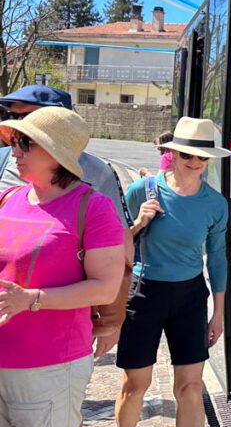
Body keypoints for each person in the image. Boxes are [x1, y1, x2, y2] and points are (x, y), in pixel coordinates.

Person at [0, 107, 126, 427]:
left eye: (24, 143)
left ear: (53, 154)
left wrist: (33, 299)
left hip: (49, 365)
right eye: (14, 141)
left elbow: (105, 286)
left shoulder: (93, 208)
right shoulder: (10, 200)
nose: (14, 150)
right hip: (4, 360)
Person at [114, 117, 229, 427]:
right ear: (173, 153)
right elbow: (114, 246)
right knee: (136, 386)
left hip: (190, 296)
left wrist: (219, 313)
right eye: (187, 154)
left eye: (202, 157)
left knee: (191, 388)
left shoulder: (215, 203)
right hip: (146, 293)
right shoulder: (144, 191)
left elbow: (219, 256)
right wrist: (137, 224)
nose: (194, 162)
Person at [0, 85, 133, 357]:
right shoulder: (5, 164)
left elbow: (120, 248)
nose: (20, 131)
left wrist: (111, 319)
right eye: (14, 118)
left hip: (54, 345)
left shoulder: (97, 174)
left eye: (31, 120)